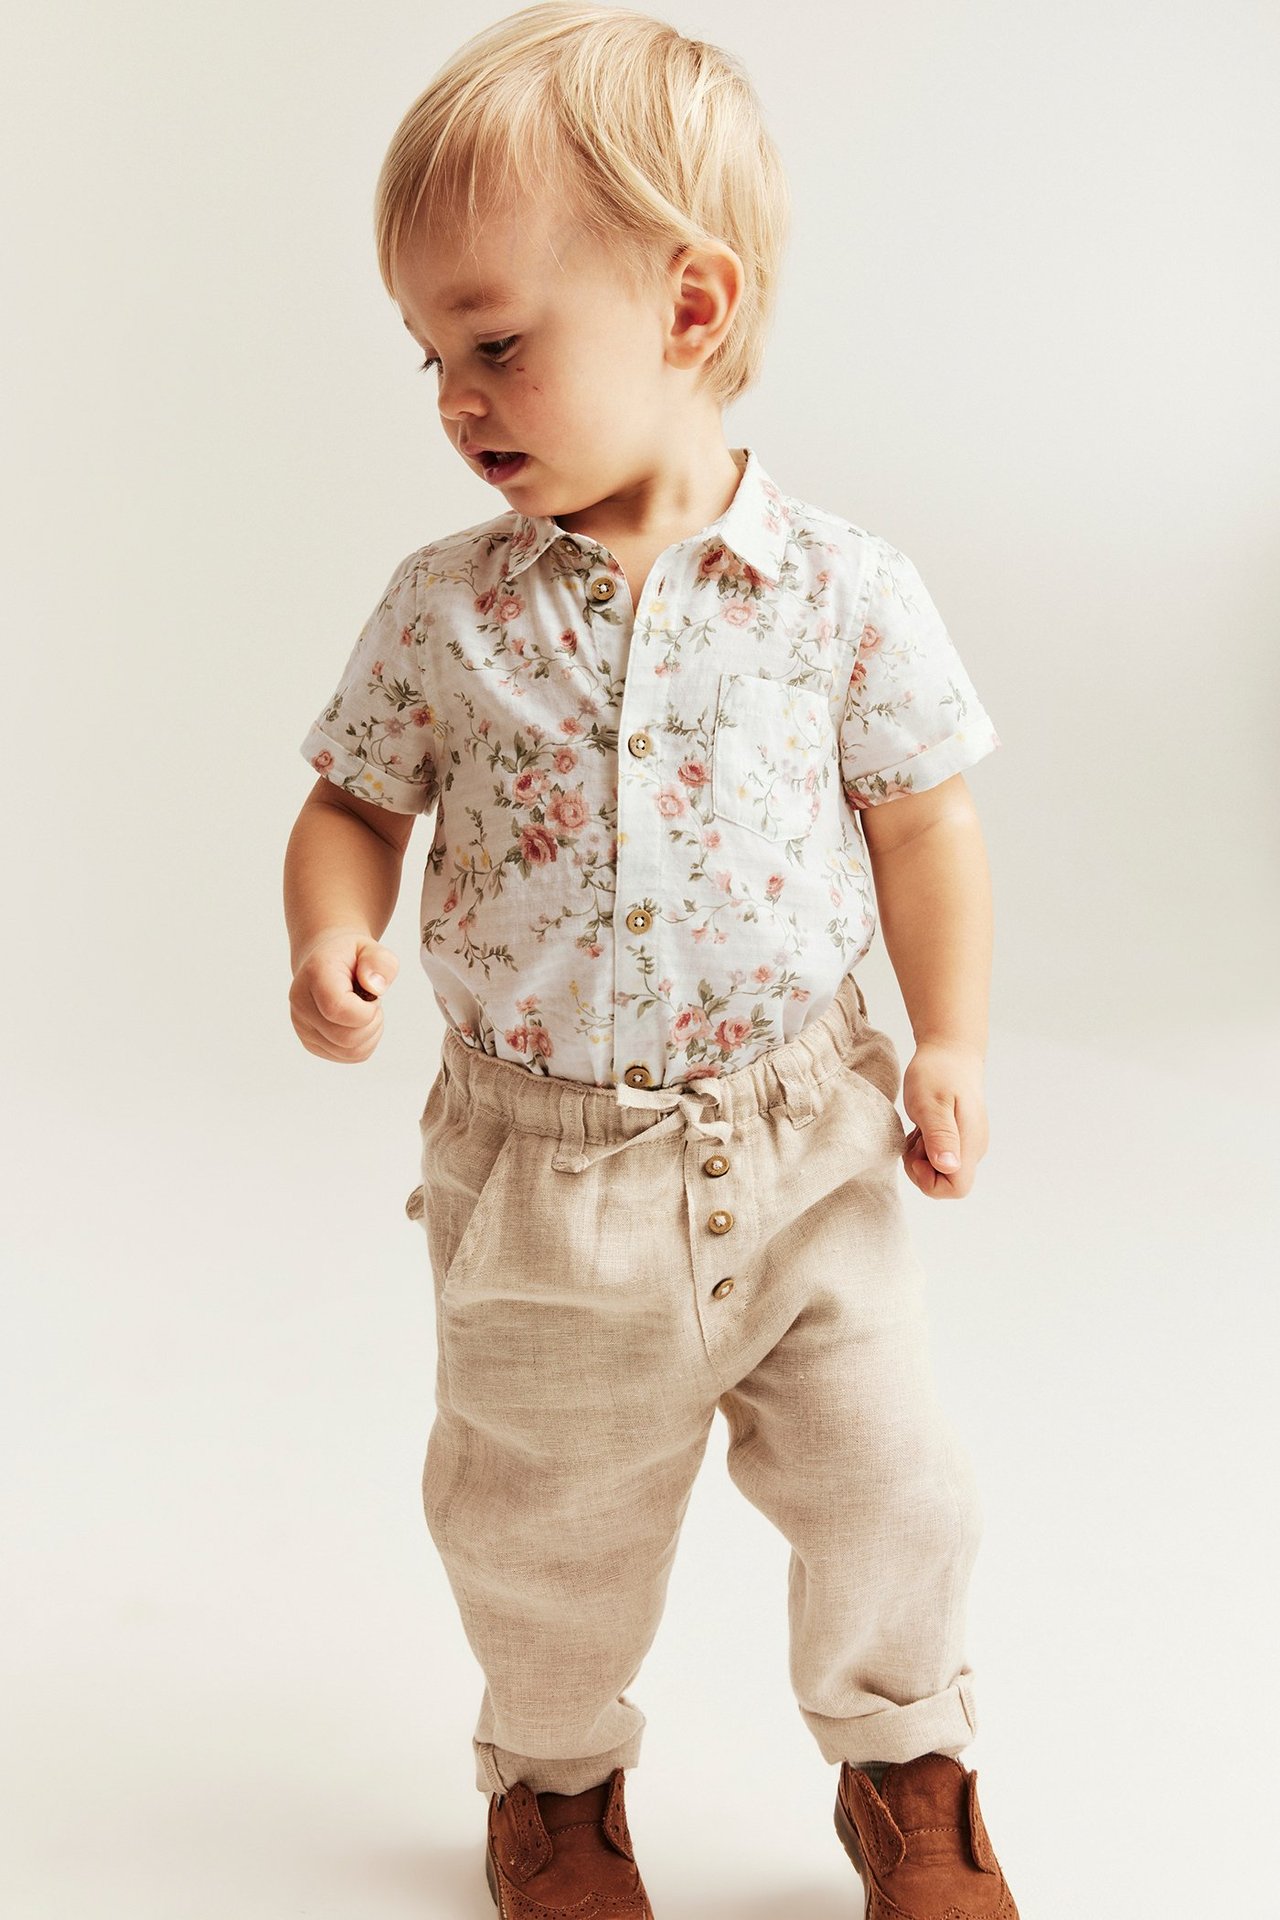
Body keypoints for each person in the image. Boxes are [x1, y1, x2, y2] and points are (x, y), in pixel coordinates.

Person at [283, 6, 1020, 1916]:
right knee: (541, 1530)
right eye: (435, 354)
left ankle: (908, 1766)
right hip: (547, 1180)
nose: (458, 394)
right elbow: (354, 802)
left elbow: (923, 820)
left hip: (802, 1151)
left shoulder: (845, 593)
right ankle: (554, 1784)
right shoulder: (446, 611)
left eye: (499, 339)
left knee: (893, 1483)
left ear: (689, 311)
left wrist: (948, 1042)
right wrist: (331, 923)